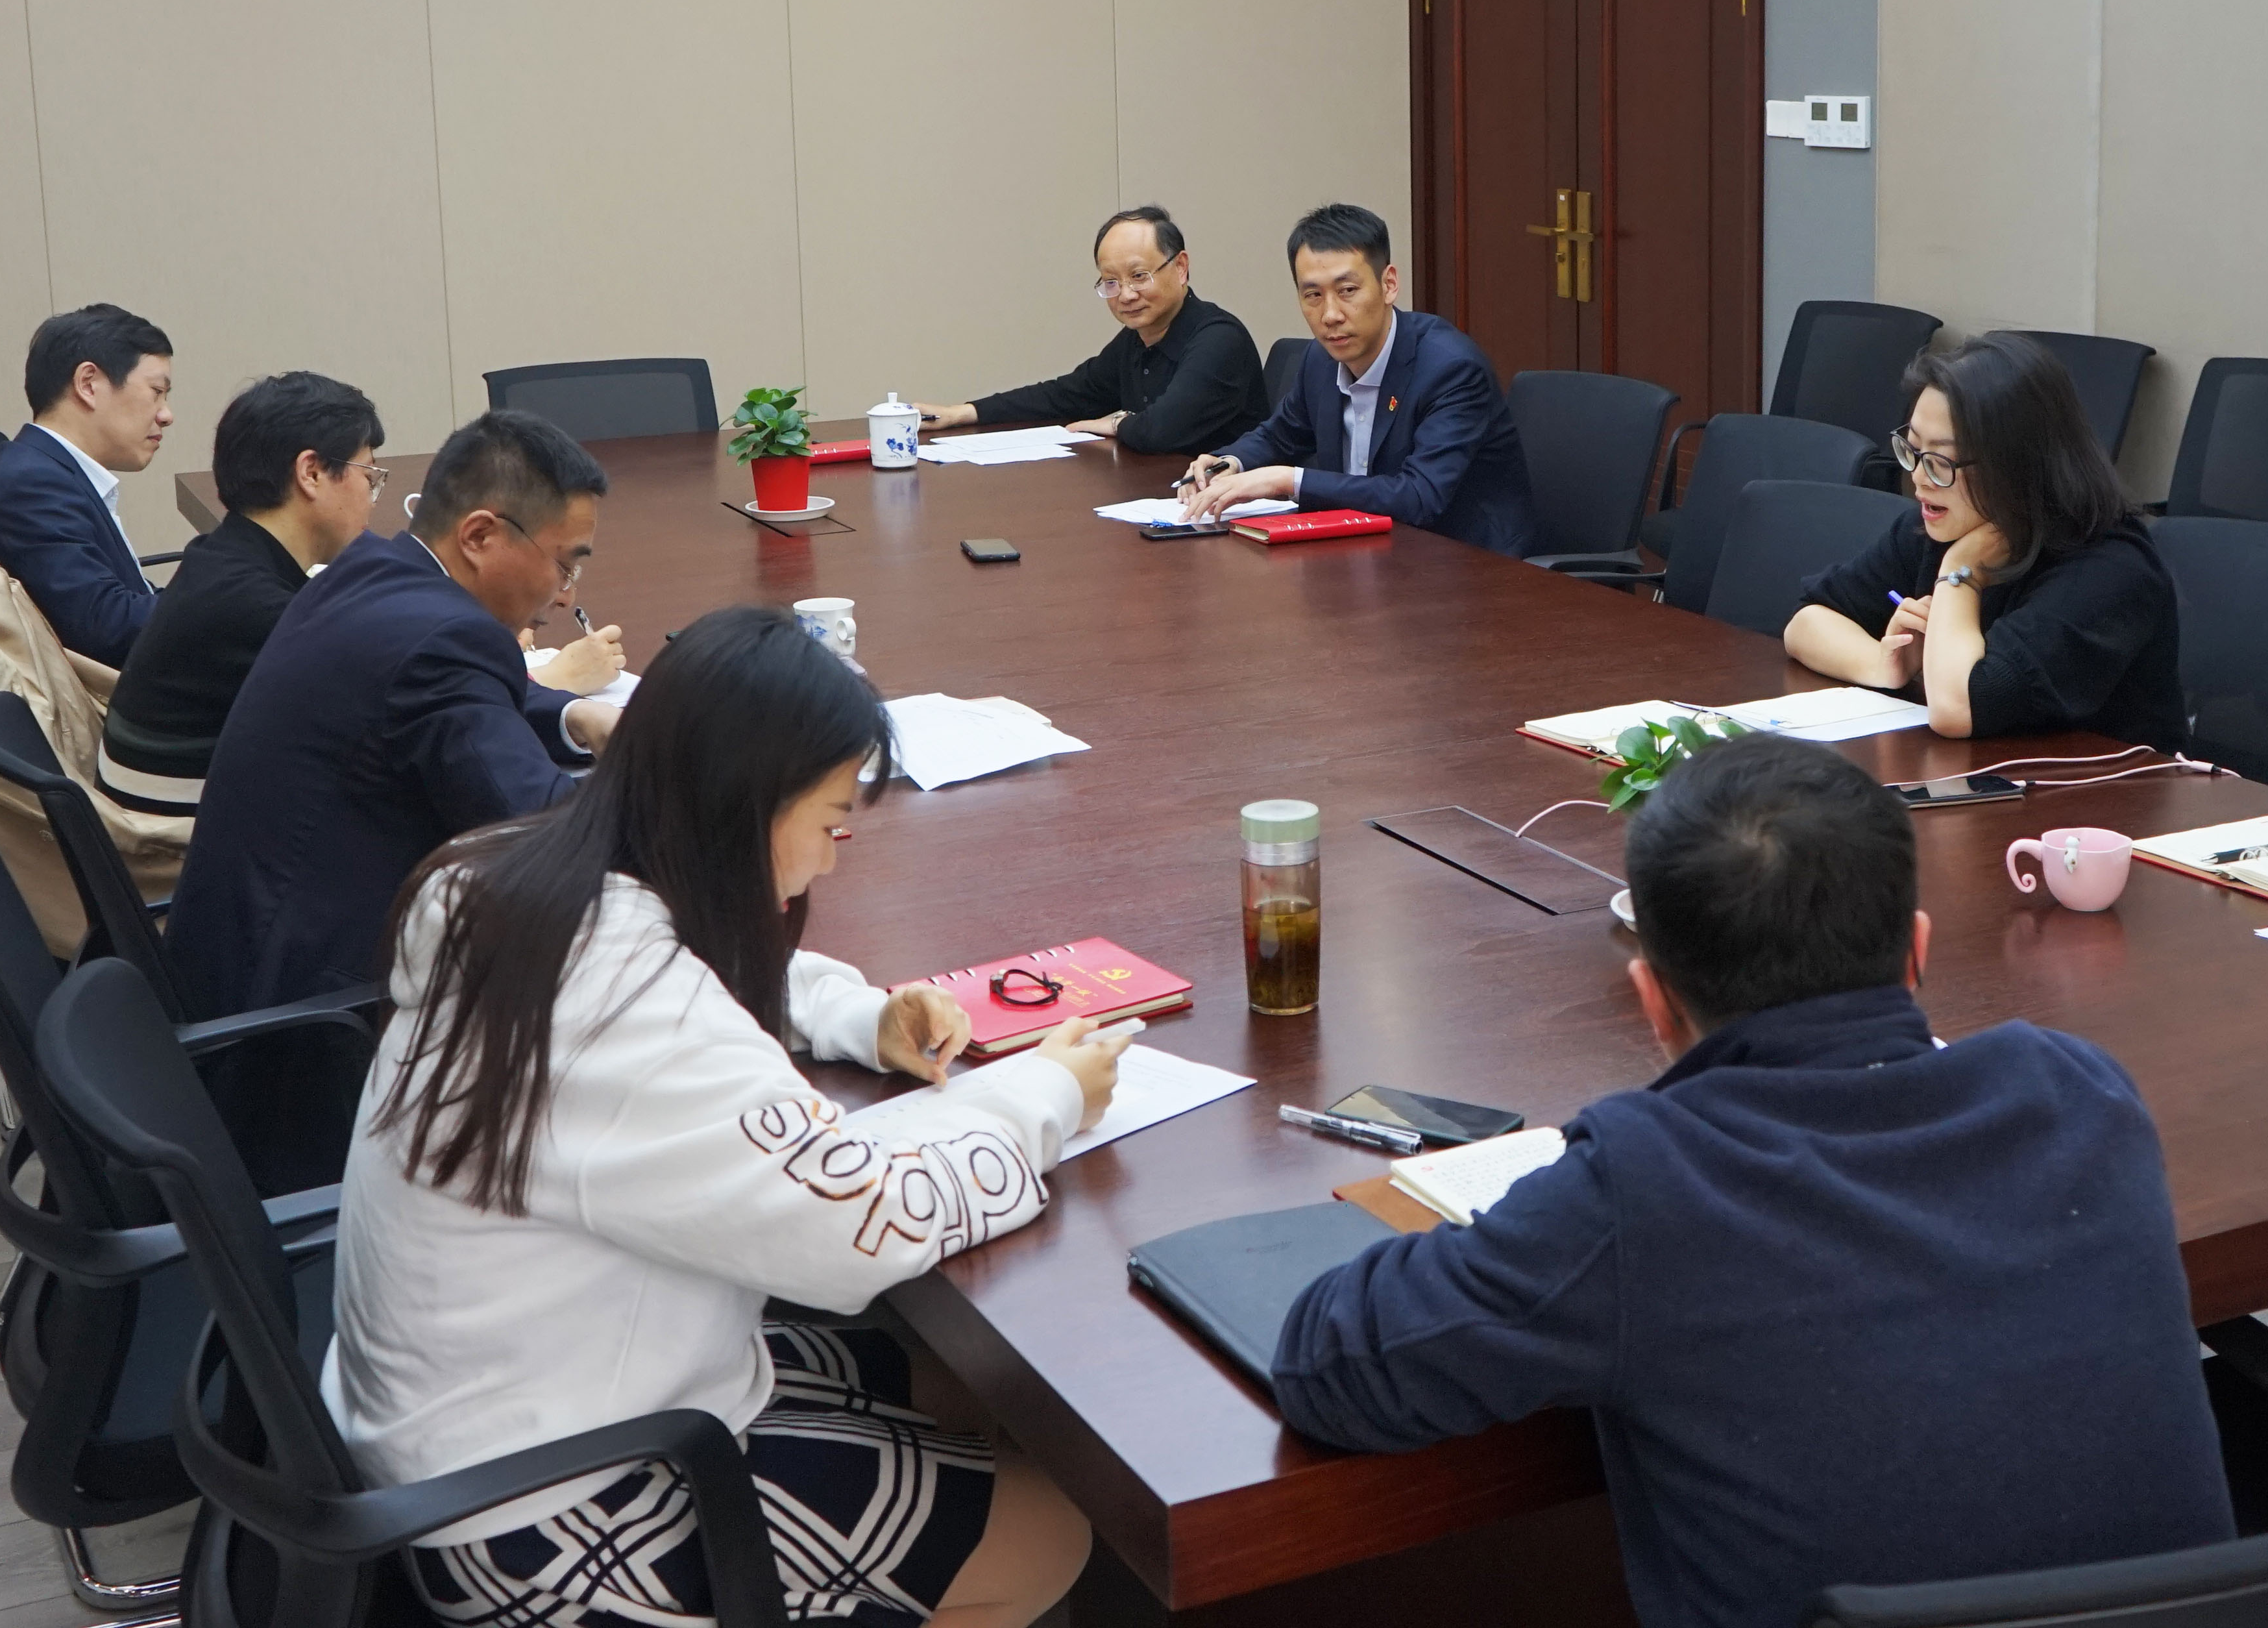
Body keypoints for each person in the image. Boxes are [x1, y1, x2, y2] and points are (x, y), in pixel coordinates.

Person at [1269, 735, 2232, 1628]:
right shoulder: (2082, 1091)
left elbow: (1328, 1367)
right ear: (1918, 952)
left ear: (1653, 1001)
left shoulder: (1643, 1187)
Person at [328, 606, 1118, 1628]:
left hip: (490, 1420)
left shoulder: (518, 882)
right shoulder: (629, 1009)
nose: (831, 862)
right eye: (830, 824)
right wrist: (1042, 1096)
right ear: (745, 807)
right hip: (542, 1515)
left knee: (961, 1388)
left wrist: (860, 1016)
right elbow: (866, 1225)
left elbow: (703, 963)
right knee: (1051, 1526)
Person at [162, 410, 629, 1017]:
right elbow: (548, 835)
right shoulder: (446, 642)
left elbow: (438, 689)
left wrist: (577, 716)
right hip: (311, 1019)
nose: (568, 595)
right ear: (479, 536)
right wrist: (668, 790)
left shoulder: (369, 570)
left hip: (233, 961)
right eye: (566, 565)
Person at [1784, 332, 2184, 748]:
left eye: (1941, 461)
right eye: (1913, 450)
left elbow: (1957, 709)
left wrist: (1962, 572)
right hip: (1981, 774)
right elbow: (1807, 621)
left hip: (2107, 787)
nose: (1919, 477)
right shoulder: (1936, 524)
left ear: (2017, 464)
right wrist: (1883, 664)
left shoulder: (2110, 570)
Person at [94, 372, 385, 815]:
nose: (372, 496)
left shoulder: (220, 556)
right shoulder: (257, 608)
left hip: (167, 802)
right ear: (311, 473)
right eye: (369, 475)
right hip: (175, 835)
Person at [1177, 202, 1536, 556]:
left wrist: (1285, 480)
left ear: (1389, 284)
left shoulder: (1451, 369)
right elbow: (1281, 434)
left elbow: (1420, 497)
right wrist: (1229, 462)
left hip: (1466, 563)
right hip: (1363, 554)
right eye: (1313, 295)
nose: (1330, 315)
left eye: (1347, 290)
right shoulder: (1321, 359)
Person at [919, 204, 1267, 456]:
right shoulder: (1136, 340)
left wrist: (1116, 423)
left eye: (1139, 276)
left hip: (1230, 515)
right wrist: (963, 412)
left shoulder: (1220, 340)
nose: (1126, 295)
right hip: (1157, 497)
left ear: (1181, 268)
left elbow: (1161, 430)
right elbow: (1065, 395)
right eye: (1111, 282)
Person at [0, 303, 175, 667]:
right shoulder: (31, 487)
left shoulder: (49, 471)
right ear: (88, 384)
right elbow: (109, 629)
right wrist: (224, 603)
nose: (166, 415)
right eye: (156, 392)